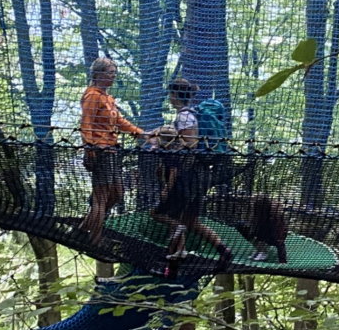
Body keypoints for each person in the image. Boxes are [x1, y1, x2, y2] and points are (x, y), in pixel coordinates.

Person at [79, 57, 149, 242]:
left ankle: (83, 228)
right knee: (101, 197)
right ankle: (94, 239)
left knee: (117, 193)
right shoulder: (92, 95)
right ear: (99, 74)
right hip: (100, 151)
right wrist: (90, 147)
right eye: (110, 73)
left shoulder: (107, 97)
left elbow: (119, 121)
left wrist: (140, 133)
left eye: (114, 73)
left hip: (112, 151)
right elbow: (86, 123)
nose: (113, 76)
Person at [154, 127, 232, 267]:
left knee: (158, 214)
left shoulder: (171, 151)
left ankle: (179, 238)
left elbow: (173, 171)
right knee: (190, 223)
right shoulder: (182, 148)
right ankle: (219, 249)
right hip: (193, 190)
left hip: (181, 190)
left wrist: (167, 189)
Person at [248, 194, 290, 264]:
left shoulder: (273, 220)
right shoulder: (260, 219)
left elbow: (280, 242)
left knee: (264, 239)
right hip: (266, 234)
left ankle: (263, 253)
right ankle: (259, 252)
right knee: (258, 237)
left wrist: (283, 261)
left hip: (275, 236)